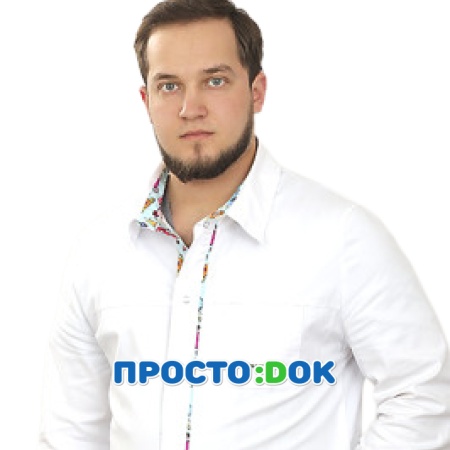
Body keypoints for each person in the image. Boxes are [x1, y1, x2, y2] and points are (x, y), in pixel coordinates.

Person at [39, 0, 450, 449]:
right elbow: (70, 433)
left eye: (215, 81)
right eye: (169, 86)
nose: (190, 108)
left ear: (257, 91)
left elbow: (422, 396)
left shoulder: (343, 237)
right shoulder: (98, 251)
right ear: (146, 100)